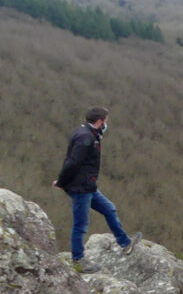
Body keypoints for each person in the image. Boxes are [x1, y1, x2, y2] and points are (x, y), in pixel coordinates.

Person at [52, 106, 141, 272]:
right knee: (81, 225)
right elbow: (72, 162)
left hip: (88, 185)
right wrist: (61, 182)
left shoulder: (87, 133)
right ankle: (78, 260)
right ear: (99, 121)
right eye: (106, 121)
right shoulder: (85, 138)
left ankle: (125, 243)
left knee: (109, 209)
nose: (107, 124)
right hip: (81, 188)